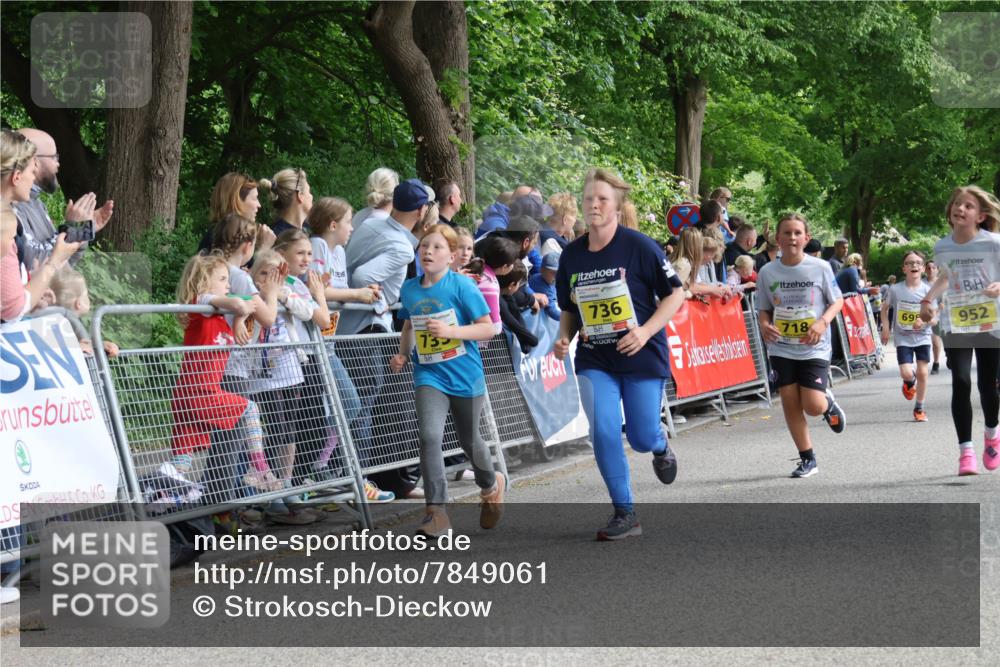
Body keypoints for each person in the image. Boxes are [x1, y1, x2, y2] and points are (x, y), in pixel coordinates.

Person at [553, 168, 685, 541]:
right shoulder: (572, 256)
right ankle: (625, 512)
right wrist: (563, 337)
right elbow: (569, 307)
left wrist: (644, 331)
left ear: (617, 205)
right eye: (589, 198)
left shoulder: (640, 246)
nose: (594, 205)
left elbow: (676, 294)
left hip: (640, 353)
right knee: (605, 431)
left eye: (602, 199)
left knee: (642, 435)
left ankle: (659, 446)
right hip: (596, 357)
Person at [390, 224, 503, 537]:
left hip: (465, 374)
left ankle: (491, 484)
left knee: (470, 441)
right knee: (428, 436)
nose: (428, 251)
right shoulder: (410, 288)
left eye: (437, 247)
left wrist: (452, 332)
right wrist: (402, 354)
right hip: (429, 374)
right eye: (424, 246)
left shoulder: (462, 287)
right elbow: (409, 326)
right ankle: (436, 511)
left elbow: (488, 328)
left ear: (452, 256)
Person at [167, 254, 282, 493]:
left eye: (228, 279)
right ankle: (259, 468)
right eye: (222, 279)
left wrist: (239, 320)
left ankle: (159, 497)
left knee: (180, 464)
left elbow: (240, 307)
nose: (228, 285)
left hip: (193, 394)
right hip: (200, 392)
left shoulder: (216, 312)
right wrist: (242, 307)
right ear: (202, 281)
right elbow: (240, 303)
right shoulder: (202, 301)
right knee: (250, 408)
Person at [756, 212, 846, 479]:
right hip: (781, 346)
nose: (792, 238)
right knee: (789, 401)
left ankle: (827, 402)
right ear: (777, 238)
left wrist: (822, 322)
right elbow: (763, 308)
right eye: (787, 233)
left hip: (814, 346)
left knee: (813, 406)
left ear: (806, 238)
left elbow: (837, 301)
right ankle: (808, 458)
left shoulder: (820, 268)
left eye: (797, 233)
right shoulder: (767, 271)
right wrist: (763, 325)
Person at [919, 185, 1000, 476]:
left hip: (991, 322)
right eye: (957, 204)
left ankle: (992, 434)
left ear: (980, 216)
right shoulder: (943, 246)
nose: (960, 209)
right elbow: (945, 276)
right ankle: (965, 452)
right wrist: (928, 299)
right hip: (959, 322)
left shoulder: (994, 243)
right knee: (962, 380)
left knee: (987, 385)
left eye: (968, 206)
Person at [245, 250, 322, 525]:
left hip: (290, 370)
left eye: (275, 275)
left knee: (289, 428)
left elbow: (309, 312)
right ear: (254, 274)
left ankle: (287, 483)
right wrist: (267, 295)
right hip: (261, 374)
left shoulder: (287, 291)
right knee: (273, 428)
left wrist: (283, 295)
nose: (269, 280)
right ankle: (272, 489)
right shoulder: (250, 295)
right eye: (264, 274)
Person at [1, 132, 82, 324]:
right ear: (16, 176)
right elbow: (12, 308)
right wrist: (53, 261)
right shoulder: (6, 221)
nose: (58, 164)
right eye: (32, 171)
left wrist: (31, 293)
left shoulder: (35, 205)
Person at [12, 128, 113, 269]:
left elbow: (64, 265)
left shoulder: (37, 202)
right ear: (34, 161)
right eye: (54, 157)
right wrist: (72, 228)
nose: (58, 163)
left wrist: (82, 229)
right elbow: (33, 265)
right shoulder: (9, 207)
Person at [880, 251, 934, 423]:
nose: (914, 266)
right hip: (903, 336)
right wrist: (886, 327)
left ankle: (919, 408)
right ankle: (909, 382)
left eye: (918, 263)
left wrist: (924, 320)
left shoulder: (928, 290)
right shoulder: (895, 289)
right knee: (905, 372)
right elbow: (884, 308)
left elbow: (935, 315)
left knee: (923, 373)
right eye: (910, 263)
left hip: (923, 336)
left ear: (923, 268)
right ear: (904, 268)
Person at [47, 267, 120, 357]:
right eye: (86, 295)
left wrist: (101, 346)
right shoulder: (54, 328)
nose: (89, 298)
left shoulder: (75, 326)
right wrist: (76, 348)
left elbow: (84, 345)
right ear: (79, 303)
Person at [197, 172, 275, 255]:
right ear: (237, 202)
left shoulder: (233, 235)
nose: (259, 205)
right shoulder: (220, 239)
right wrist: (263, 249)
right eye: (255, 198)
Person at [499, 263, 539, 352]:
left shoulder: (506, 293)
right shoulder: (498, 300)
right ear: (511, 285)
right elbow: (512, 323)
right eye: (519, 284)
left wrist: (532, 300)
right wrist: (533, 340)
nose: (519, 287)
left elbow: (515, 300)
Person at [262, 168, 313, 236]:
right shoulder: (280, 238)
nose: (311, 196)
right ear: (300, 196)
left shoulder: (276, 233)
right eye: (309, 191)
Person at [924, 259, 945, 374]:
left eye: (933, 268)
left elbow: (946, 300)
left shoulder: (942, 282)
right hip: (928, 315)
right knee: (935, 341)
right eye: (928, 268)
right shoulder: (921, 283)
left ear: (938, 270)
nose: (931, 270)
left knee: (945, 340)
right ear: (925, 270)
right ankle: (936, 363)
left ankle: (949, 355)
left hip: (942, 314)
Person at [528, 251, 561, 321]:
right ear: (542, 270)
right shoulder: (543, 286)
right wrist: (568, 319)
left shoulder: (542, 278)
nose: (556, 276)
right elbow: (551, 311)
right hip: (533, 318)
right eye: (553, 272)